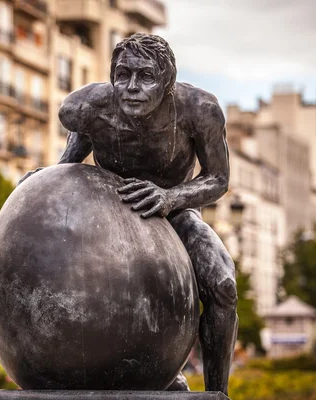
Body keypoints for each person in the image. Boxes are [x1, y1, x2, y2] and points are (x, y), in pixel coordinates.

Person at [20, 33, 237, 395]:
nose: (132, 88)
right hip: (106, 212)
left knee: (222, 284)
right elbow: (83, 133)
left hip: (173, 211)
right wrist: (49, 178)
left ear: (167, 82)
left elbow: (218, 179)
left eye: (146, 77)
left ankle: (217, 392)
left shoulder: (199, 110)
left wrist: (169, 198)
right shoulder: (88, 106)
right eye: (123, 75)